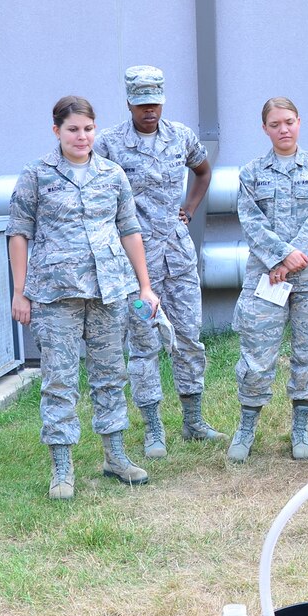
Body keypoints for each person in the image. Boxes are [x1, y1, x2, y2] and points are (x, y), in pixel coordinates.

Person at [7, 96, 159, 500]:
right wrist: (20, 292)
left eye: (88, 129)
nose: (82, 136)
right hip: (56, 294)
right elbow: (19, 233)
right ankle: (62, 466)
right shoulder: (37, 175)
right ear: (56, 130)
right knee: (59, 380)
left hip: (109, 290)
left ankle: (115, 455)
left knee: (111, 375)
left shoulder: (112, 174)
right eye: (73, 129)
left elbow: (129, 230)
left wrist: (144, 285)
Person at [94, 65, 227, 458]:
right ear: (129, 103)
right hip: (136, 265)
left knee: (188, 338)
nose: (148, 111)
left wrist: (189, 207)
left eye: (154, 103)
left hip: (179, 257)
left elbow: (202, 170)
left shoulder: (181, 136)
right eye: (141, 105)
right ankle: (153, 427)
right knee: (144, 344)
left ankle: (193, 421)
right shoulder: (109, 144)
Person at [227, 97, 308, 463]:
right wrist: (279, 257)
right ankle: (246, 426)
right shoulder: (251, 174)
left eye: (289, 121)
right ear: (265, 129)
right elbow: (251, 221)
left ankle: (301, 426)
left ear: (299, 122)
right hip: (266, 278)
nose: (283, 129)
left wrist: (290, 260)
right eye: (275, 124)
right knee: (257, 356)